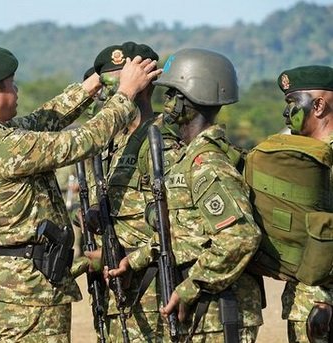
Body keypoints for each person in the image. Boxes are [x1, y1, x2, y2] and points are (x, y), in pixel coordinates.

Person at [0, 45, 161, 342]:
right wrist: (125, 93)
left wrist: (93, 84)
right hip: (29, 291)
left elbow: (42, 121)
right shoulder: (4, 147)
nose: (17, 90)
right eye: (11, 84)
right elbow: (84, 140)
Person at [108, 48, 263, 342]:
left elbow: (241, 237)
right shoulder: (189, 159)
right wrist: (137, 259)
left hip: (219, 313)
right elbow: (185, 232)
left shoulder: (208, 165)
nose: (164, 103)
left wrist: (191, 286)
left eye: (170, 95)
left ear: (186, 100)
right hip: (203, 312)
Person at [85, 41, 182, 342]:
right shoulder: (104, 145)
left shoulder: (164, 140)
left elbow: (181, 224)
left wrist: (134, 258)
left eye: (125, 81)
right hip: (114, 294)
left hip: (155, 292)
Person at [276, 65, 333, 343]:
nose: (287, 113)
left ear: (319, 106)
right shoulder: (298, 156)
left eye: (293, 103)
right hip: (302, 303)